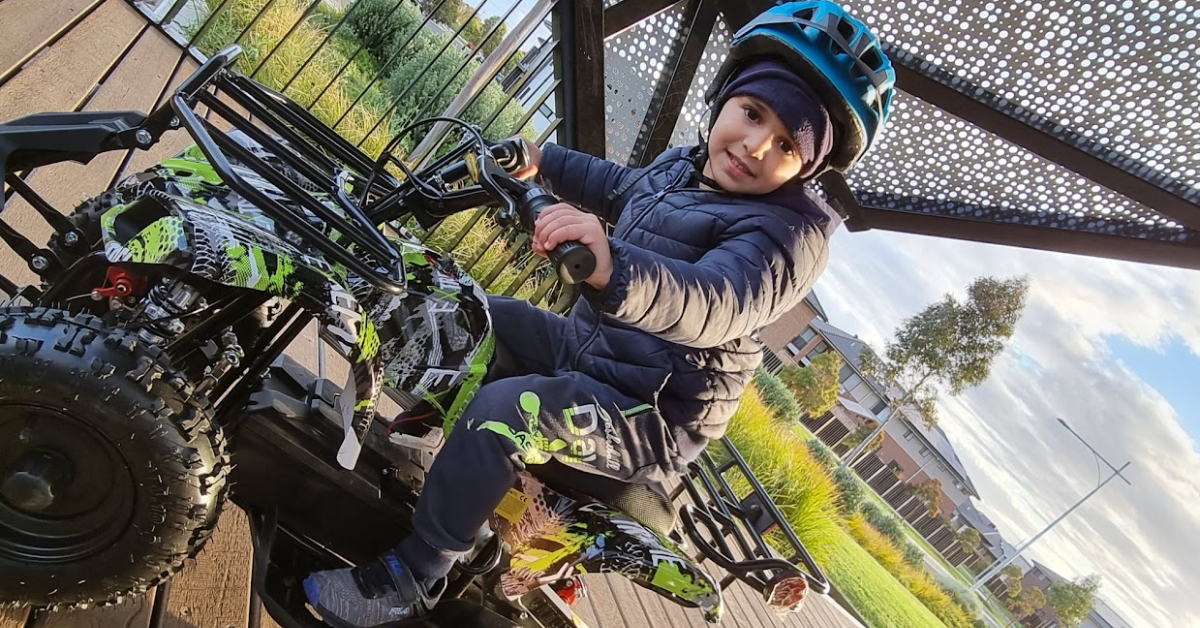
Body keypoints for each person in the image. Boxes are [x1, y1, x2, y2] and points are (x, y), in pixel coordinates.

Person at [303, 2, 895, 625]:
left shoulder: (789, 241)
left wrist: (616, 269)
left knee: (507, 413)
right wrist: (540, 161)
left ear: (806, 168)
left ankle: (416, 573)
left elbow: (713, 302)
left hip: (648, 417)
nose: (754, 145)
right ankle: (442, 452)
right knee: (472, 311)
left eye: (783, 144)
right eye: (752, 113)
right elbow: (616, 186)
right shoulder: (680, 168)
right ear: (724, 98)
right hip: (588, 353)